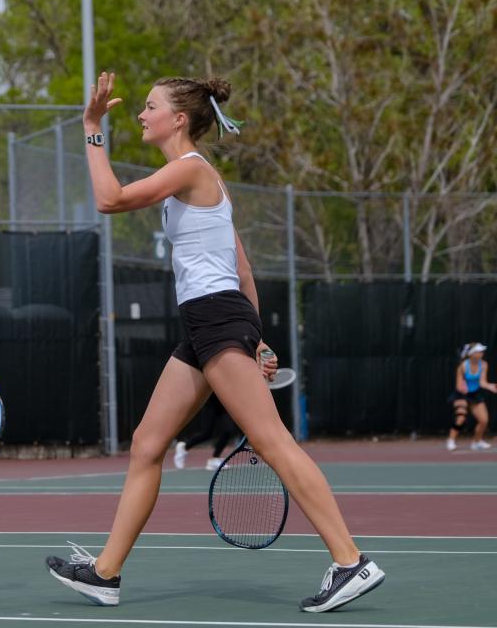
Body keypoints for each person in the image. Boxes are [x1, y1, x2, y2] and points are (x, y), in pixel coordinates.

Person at [45, 72, 385, 613]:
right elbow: (242, 266)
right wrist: (259, 339)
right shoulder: (199, 180)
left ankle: (350, 561)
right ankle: (104, 574)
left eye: (149, 106)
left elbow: (108, 199)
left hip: (217, 322)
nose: (140, 113)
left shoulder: (190, 170)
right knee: (147, 445)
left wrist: (91, 129)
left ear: (178, 119)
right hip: (212, 324)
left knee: (273, 443)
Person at [446, 342, 495, 451]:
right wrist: (463, 388)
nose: (481, 353)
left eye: (482, 351)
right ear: (472, 354)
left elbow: (482, 382)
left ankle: (476, 442)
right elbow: (458, 386)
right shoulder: (463, 366)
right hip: (461, 394)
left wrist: (490, 386)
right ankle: (451, 440)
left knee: (484, 420)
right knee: (461, 417)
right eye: (478, 351)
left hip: (475, 394)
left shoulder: (484, 364)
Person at [173, 395, 238, 470]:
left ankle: (214, 459)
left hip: (224, 404)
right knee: (207, 433)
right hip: (210, 403)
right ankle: (184, 447)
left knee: (228, 430)